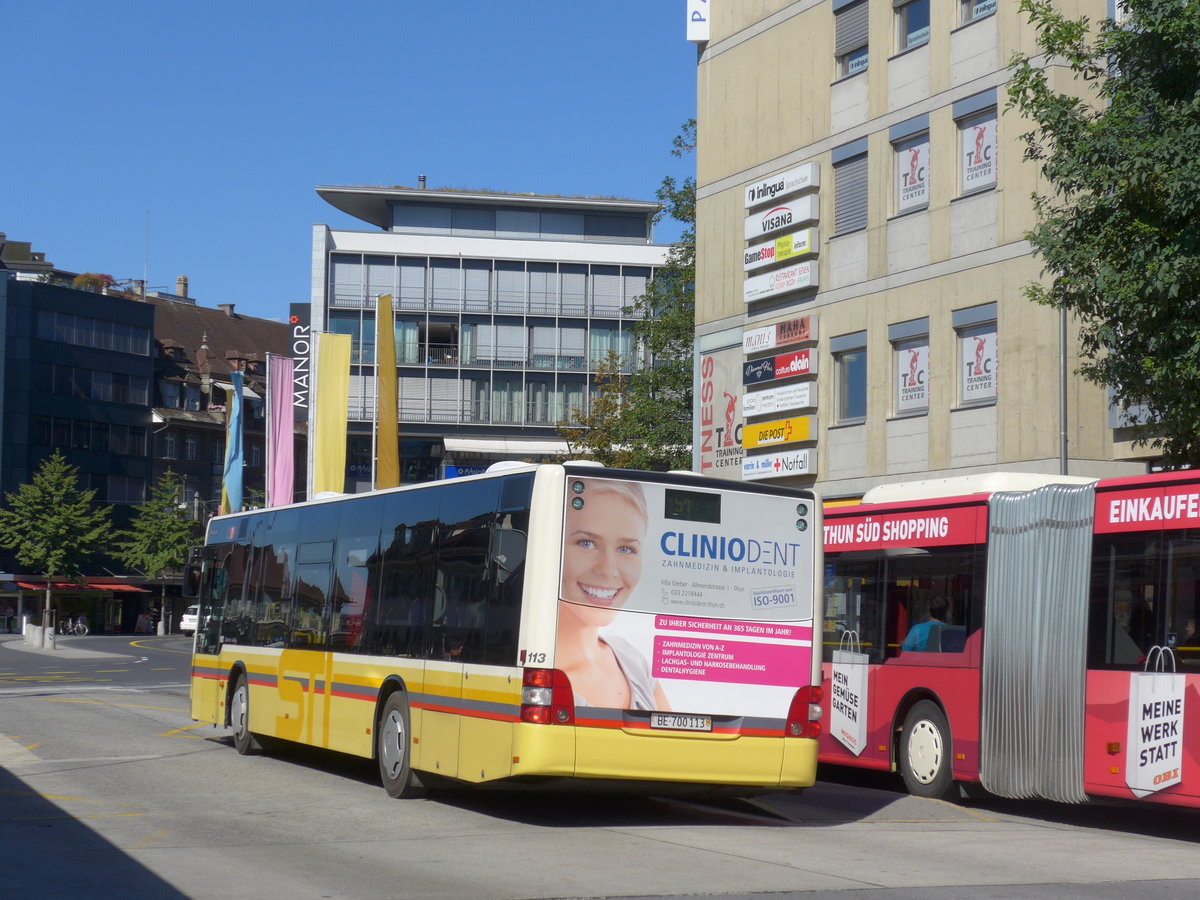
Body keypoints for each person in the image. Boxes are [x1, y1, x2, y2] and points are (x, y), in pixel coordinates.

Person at [555, 479, 669, 711]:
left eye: (626, 549)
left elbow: (676, 746)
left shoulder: (630, 660)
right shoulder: (530, 674)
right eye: (587, 543)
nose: (608, 569)